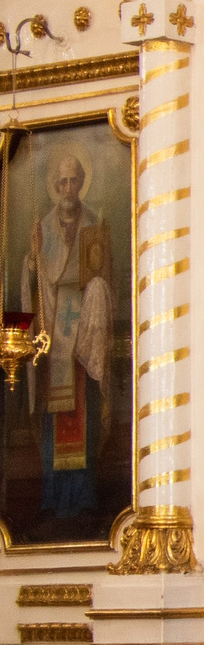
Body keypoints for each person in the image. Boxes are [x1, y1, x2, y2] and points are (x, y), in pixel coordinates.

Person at [20, 150, 115, 526]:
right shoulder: (42, 228)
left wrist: (95, 293)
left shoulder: (96, 223)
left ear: (81, 183)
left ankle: (85, 497)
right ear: (54, 186)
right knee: (52, 416)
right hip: (54, 331)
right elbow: (34, 285)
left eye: (74, 180)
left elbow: (107, 277)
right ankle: (53, 497)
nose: (68, 187)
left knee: (84, 413)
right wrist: (31, 261)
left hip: (84, 336)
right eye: (62, 181)